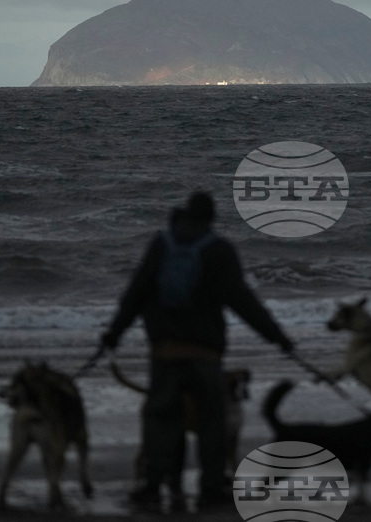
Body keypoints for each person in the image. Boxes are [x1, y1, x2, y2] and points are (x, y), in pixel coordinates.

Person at [100, 191, 295, 511]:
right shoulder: (219, 250)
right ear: (211, 218)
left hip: (164, 353)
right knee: (210, 424)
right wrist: (277, 336)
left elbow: (136, 292)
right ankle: (210, 489)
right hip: (205, 355)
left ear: (185, 213)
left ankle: (154, 486)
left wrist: (114, 333)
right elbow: (243, 301)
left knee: (163, 420)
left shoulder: (161, 245)